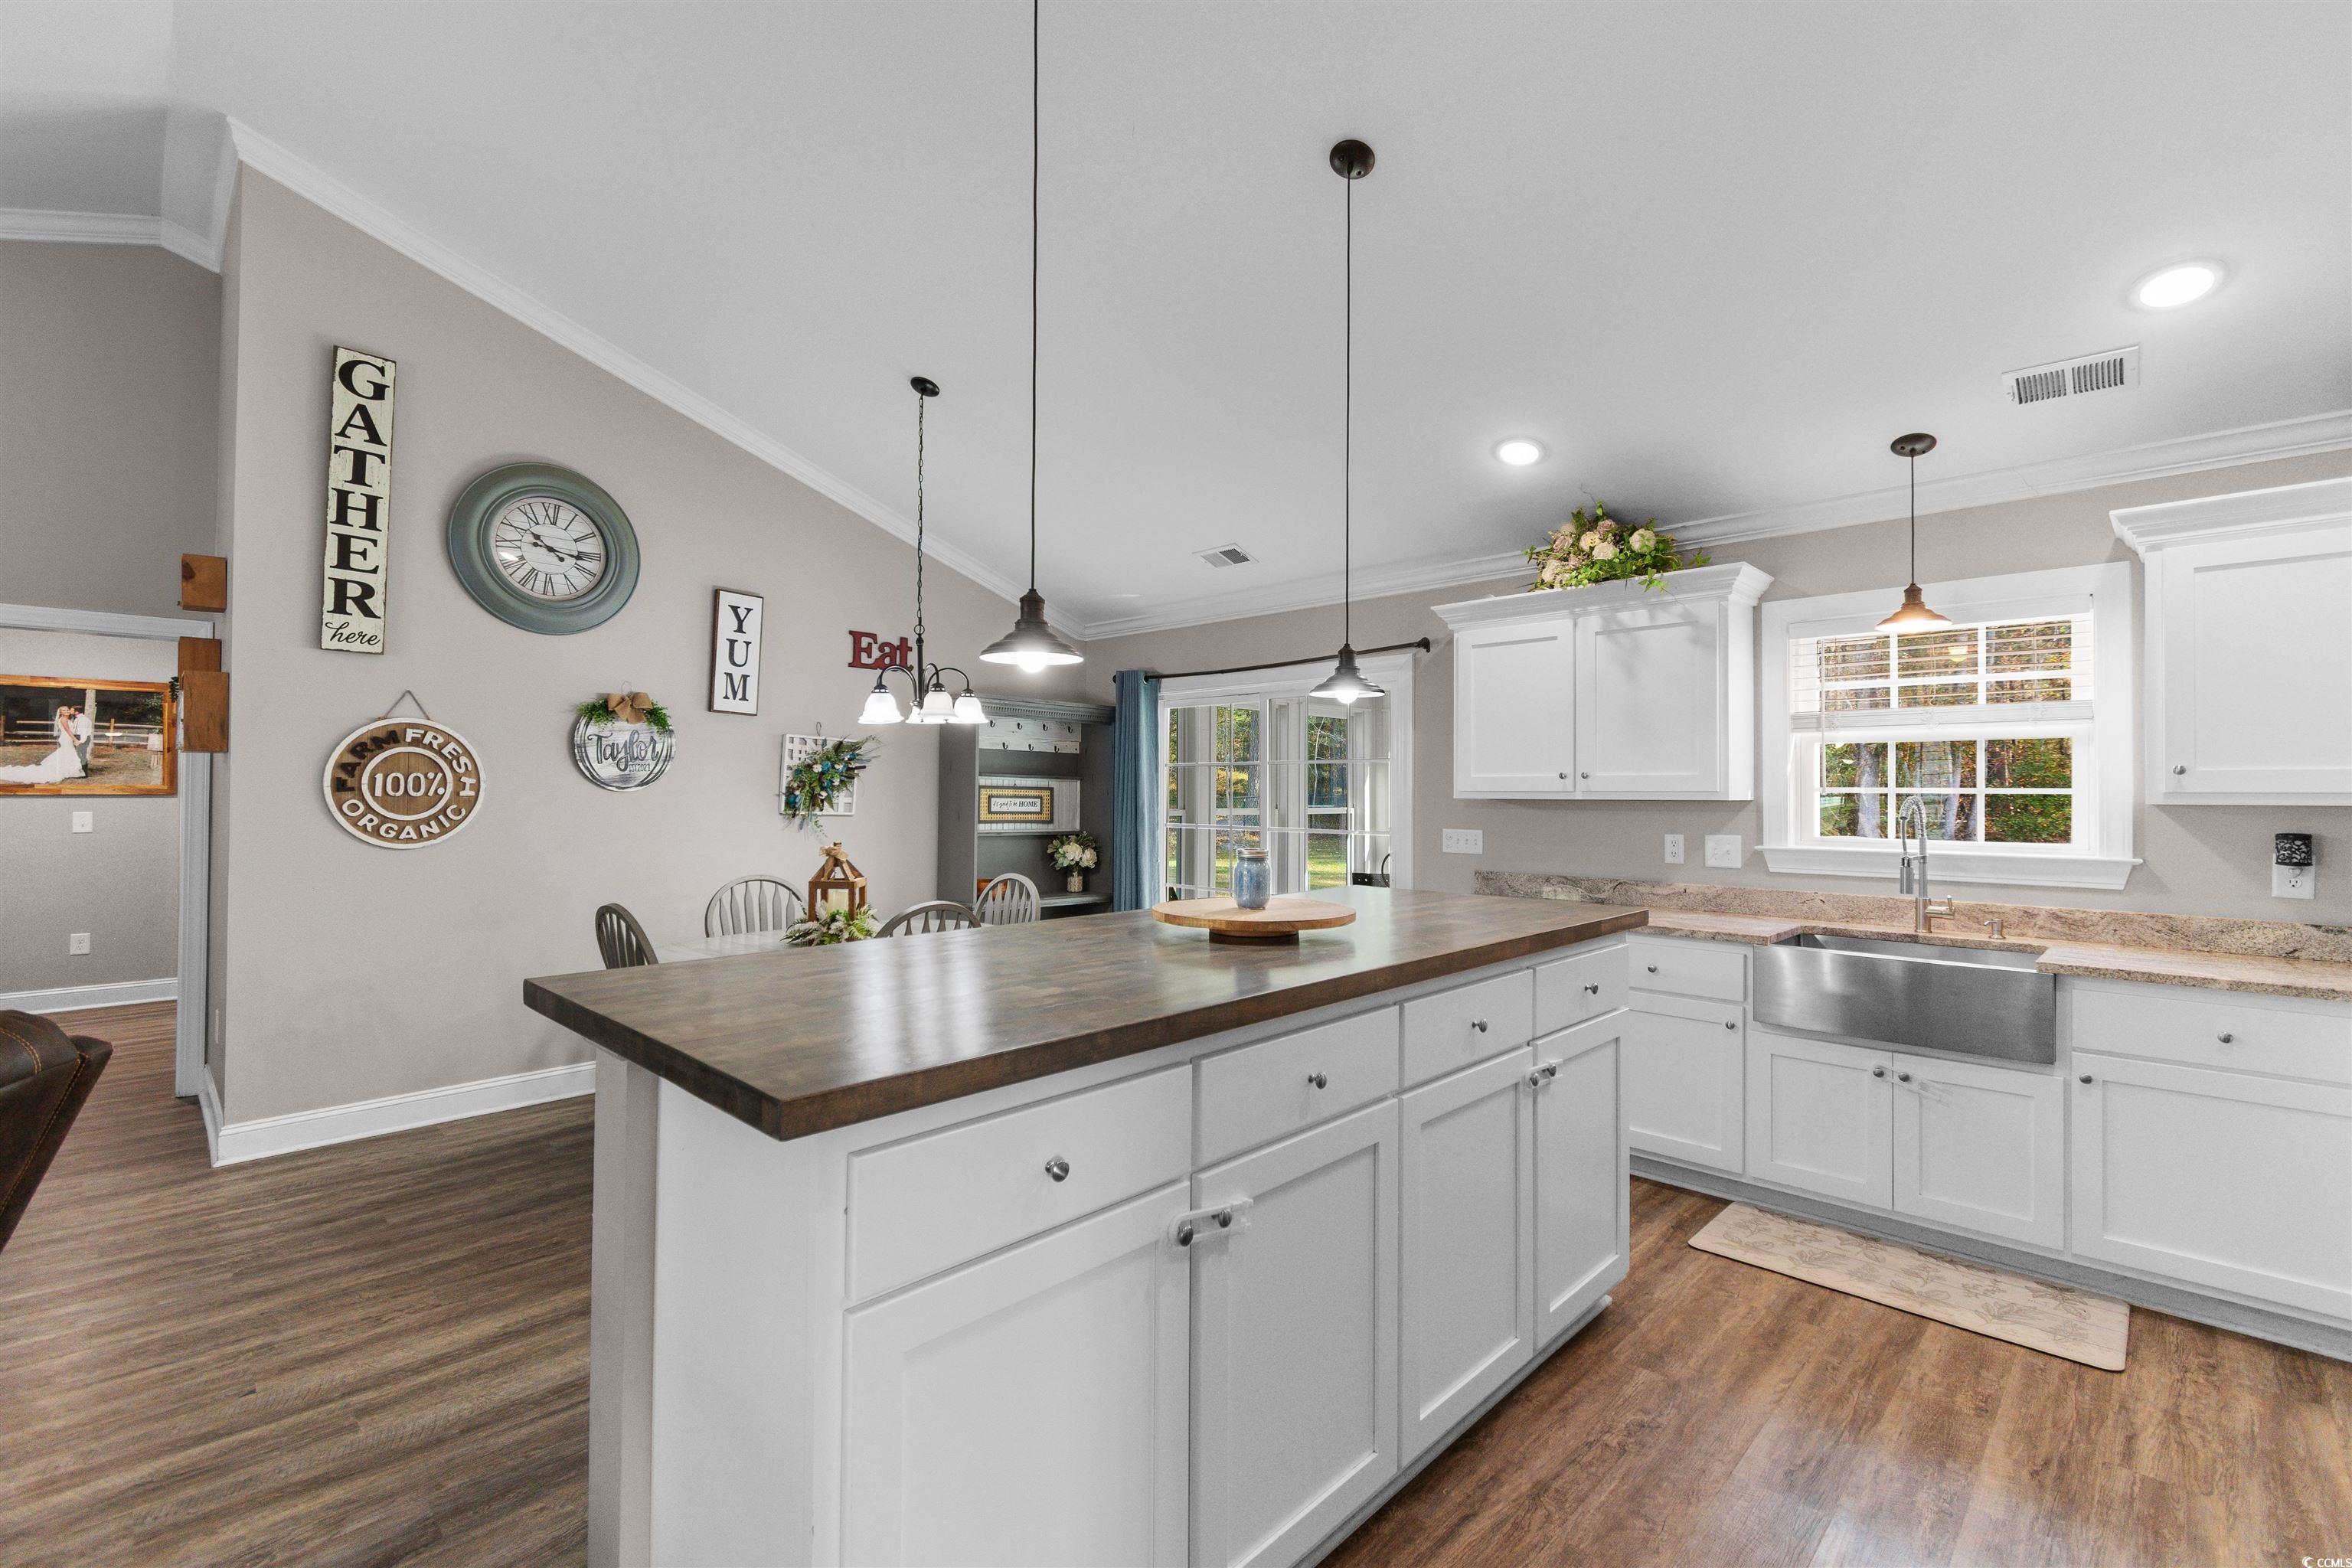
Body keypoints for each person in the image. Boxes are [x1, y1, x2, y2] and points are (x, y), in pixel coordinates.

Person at [0, 704, 90, 785]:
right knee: (67, 752)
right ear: (61, 713)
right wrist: (75, 740)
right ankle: (64, 770)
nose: (67, 712)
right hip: (66, 738)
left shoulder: (68, 719)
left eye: (67, 710)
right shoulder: (63, 719)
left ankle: (68, 770)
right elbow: (67, 731)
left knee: (67, 753)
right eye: (64, 711)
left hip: (68, 738)